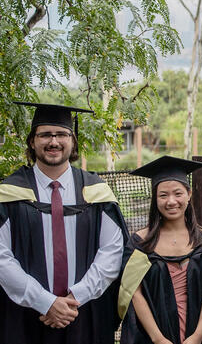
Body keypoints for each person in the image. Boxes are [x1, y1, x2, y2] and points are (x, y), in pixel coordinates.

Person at [0, 102, 128, 343]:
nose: (54, 142)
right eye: (45, 135)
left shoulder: (96, 191)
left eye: (61, 134)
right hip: (24, 316)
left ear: (73, 140)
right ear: (32, 141)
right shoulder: (10, 193)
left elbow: (112, 253)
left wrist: (73, 299)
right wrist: (45, 302)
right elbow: (1, 259)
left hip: (83, 312)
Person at [118, 156, 202, 344]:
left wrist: (198, 336)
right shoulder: (140, 244)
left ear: (189, 194)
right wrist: (158, 339)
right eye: (163, 195)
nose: (171, 201)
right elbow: (134, 293)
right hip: (152, 337)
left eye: (178, 193)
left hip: (198, 335)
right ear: (155, 199)